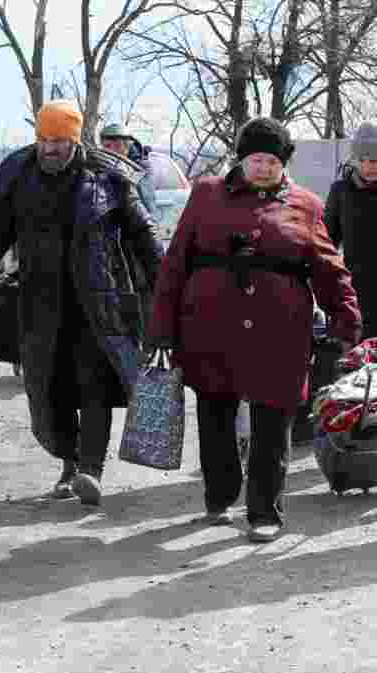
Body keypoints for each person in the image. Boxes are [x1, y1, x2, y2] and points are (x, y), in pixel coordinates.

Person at [148, 116, 361, 542]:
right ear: (241, 159)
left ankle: (265, 511)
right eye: (256, 159)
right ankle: (221, 494)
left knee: (273, 423)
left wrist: (345, 316)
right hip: (210, 325)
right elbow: (174, 265)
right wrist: (161, 328)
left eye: (272, 161)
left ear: (284, 164)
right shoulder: (206, 194)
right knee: (215, 416)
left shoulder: (306, 205)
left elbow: (327, 267)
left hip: (280, 330)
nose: (264, 168)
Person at [0, 100, 164, 505]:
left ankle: (89, 470)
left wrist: (165, 280)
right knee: (47, 391)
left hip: (97, 302)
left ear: (75, 139)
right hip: (38, 302)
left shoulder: (107, 176)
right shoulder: (18, 174)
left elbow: (143, 232)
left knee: (93, 388)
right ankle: (69, 461)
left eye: (60, 141)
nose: (51, 148)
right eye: (45, 140)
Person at [325, 119, 377, 339]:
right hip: (354, 292)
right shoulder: (341, 191)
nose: (369, 166)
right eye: (362, 159)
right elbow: (326, 243)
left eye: (376, 160)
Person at [99, 123, 157, 215]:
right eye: (104, 146)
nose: (106, 151)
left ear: (124, 145)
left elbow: (146, 205)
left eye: (108, 146)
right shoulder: (109, 165)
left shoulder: (140, 168)